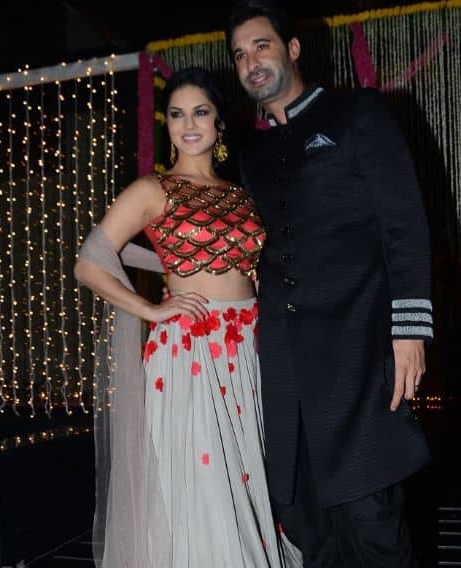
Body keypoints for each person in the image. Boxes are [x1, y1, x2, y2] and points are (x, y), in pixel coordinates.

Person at [226, 1, 433, 566]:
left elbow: (404, 223)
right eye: (240, 55)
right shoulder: (250, 154)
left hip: (359, 349)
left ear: (293, 49)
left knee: (372, 518)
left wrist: (410, 330)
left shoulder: (357, 113)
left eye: (262, 46)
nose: (251, 62)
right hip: (287, 364)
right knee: (306, 520)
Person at [75, 66, 301, 567]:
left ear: (219, 122)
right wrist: (151, 309)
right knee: (203, 484)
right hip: (190, 349)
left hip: (247, 348)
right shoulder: (152, 189)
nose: (189, 124)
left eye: (200, 112)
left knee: (245, 477)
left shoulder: (242, 194)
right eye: (177, 115)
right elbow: (90, 262)